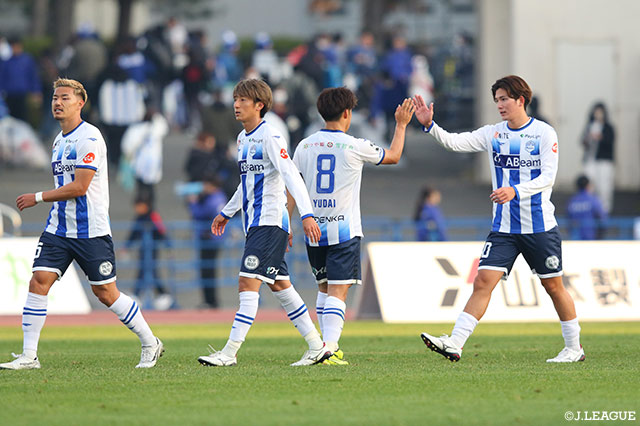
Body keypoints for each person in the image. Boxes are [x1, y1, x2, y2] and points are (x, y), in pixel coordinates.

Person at [414, 75, 585, 363]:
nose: (500, 105)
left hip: (539, 227)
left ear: (521, 100)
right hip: (504, 229)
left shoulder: (544, 133)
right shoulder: (493, 133)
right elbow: (456, 143)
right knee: (482, 281)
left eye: (504, 99)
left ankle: (573, 348)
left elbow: (548, 178)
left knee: (553, 286)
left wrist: (515, 190)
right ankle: (455, 343)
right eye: (497, 100)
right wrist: (431, 126)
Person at [1, 78, 163, 370]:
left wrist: (37, 197)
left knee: (106, 293)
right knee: (39, 281)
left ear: (80, 103)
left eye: (65, 98)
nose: (57, 102)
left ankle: (150, 342)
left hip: (91, 230)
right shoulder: (58, 140)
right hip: (58, 228)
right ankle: (29, 355)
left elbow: (80, 187)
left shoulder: (90, 137)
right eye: (55, 98)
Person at [197, 79, 327, 367]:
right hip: (255, 224)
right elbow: (246, 184)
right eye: (235, 99)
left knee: (247, 282)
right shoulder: (243, 139)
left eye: (243, 100)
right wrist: (226, 212)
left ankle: (229, 352)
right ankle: (317, 346)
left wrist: (306, 214)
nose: (236, 105)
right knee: (281, 286)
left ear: (260, 105)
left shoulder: (270, 135)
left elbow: (291, 175)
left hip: (269, 222)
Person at [290, 87, 415, 365]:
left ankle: (322, 347)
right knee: (339, 290)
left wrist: (287, 223)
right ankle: (329, 348)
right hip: (344, 229)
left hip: (314, 230)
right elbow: (394, 155)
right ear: (347, 113)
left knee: (324, 288)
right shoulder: (356, 145)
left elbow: (292, 187)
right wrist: (401, 124)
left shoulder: (304, 146)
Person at [122, 194, 174, 310]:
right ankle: (144, 294)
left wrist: (168, 247)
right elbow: (133, 233)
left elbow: (162, 232)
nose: (137, 208)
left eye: (139, 205)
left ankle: (161, 294)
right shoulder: (139, 218)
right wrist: (126, 247)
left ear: (146, 205)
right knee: (144, 271)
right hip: (143, 250)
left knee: (151, 272)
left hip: (152, 250)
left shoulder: (153, 216)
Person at [186, 174, 228, 308]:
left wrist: (193, 203)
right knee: (209, 270)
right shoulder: (220, 197)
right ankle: (210, 301)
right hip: (214, 237)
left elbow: (200, 214)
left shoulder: (213, 199)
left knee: (207, 271)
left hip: (209, 237)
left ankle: (210, 301)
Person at [581, 102, 615, 214]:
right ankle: (590, 208)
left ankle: (604, 210)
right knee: (590, 184)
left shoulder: (608, 127)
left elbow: (610, 141)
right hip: (590, 160)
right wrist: (588, 138)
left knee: (604, 186)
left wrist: (601, 137)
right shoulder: (589, 126)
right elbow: (582, 141)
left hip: (604, 160)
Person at [566, 175, 607, 240]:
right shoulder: (593, 200)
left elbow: (568, 220)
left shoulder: (572, 201)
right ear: (588, 186)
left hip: (575, 239)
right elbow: (602, 218)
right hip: (591, 239)